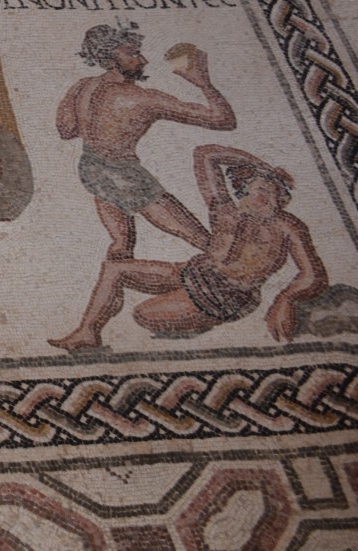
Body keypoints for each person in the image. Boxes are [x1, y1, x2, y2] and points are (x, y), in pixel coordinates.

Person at [48, 144, 327, 351]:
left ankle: (202, 319)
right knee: (115, 269)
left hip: (229, 294)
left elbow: (312, 274)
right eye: (262, 190)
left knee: (144, 315)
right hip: (197, 271)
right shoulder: (224, 210)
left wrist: (286, 299)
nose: (270, 199)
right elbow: (206, 154)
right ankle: (88, 333)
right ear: (244, 191)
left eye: (276, 193)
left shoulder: (287, 226)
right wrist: (258, 163)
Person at [57, 22, 236, 260]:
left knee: (121, 244)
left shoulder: (82, 86)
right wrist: (203, 82)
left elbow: (66, 130)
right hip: (124, 174)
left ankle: (118, 274)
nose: (143, 60)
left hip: (90, 167)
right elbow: (222, 119)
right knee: (206, 243)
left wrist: (100, 126)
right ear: (109, 59)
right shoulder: (143, 99)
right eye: (132, 54)